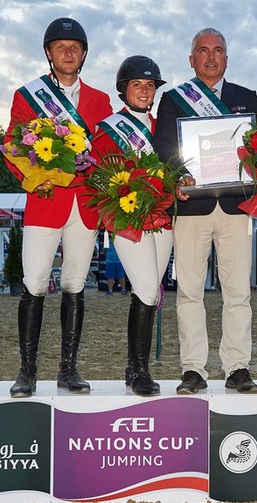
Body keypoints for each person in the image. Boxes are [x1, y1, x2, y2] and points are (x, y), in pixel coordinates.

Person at [4, 17, 112, 398]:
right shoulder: (27, 95)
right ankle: (27, 371)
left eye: (75, 47)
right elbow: (13, 146)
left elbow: (105, 152)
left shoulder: (100, 101)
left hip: (84, 205)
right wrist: (36, 176)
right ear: (49, 52)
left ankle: (68, 369)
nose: (68, 52)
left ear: (83, 54)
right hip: (46, 200)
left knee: (74, 284)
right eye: (60, 46)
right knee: (34, 282)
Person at [153, 28, 257, 394]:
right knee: (189, 292)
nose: (211, 57)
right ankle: (193, 370)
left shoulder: (246, 97)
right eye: (203, 50)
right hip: (191, 208)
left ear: (227, 58)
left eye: (218, 50)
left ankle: (237, 368)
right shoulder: (172, 99)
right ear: (192, 59)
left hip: (236, 207)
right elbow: (164, 148)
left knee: (238, 293)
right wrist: (178, 175)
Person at [90, 55, 169, 396]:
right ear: (124, 89)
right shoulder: (108, 129)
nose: (144, 90)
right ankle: (141, 372)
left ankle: (132, 366)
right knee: (148, 287)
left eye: (150, 85)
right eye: (137, 84)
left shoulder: (162, 127)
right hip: (128, 219)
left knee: (147, 294)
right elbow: (98, 177)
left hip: (163, 219)